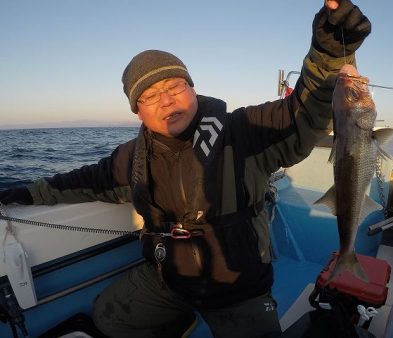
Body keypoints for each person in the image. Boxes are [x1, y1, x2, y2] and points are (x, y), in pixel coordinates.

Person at [0, 1, 371, 337]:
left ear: (193, 89)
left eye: (175, 85)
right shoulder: (132, 157)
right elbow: (81, 182)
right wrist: (22, 193)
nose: (166, 100)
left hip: (237, 287)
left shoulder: (243, 130)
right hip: (169, 278)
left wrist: (326, 54)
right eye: (148, 95)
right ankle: (180, 318)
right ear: (137, 110)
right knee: (109, 317)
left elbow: (302, 112)